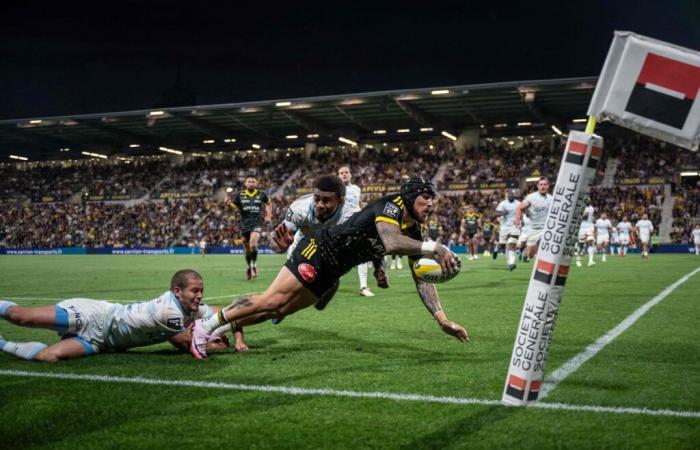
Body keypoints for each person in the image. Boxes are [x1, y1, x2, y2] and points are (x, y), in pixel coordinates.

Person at [190, 176, 468, 360]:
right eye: (426, 198)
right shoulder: (392, 206)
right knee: (272, 299)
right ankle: (205, 326)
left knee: (278, 310)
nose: (431, 204)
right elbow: (391, 242)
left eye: (433, 200)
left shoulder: (416, 231)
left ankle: (221, 328)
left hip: (334, 270)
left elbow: (421, 279)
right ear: (410, 197)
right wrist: (436, 247)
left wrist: (442, 319)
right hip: (319, 249)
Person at [0, 270, 242, 362]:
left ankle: (1, 343)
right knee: (21, 317)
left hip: (101, 342)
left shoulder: (190, 308)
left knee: (49, 356)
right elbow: (185, 343)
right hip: (95, 316)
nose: (200, 296)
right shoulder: (169, 312)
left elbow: (229, 313)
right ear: (177, 292)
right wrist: (216, 342)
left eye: (202, 291)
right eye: (195, 291)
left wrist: (237, 337)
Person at [269, 175, 383, 320]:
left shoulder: (351, 214)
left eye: (326, 200)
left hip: (329, 253)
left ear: (341, 200)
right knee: (288, 292)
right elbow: (275, 241)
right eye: (317, 199)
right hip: (302, 248)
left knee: (320, 304)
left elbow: (370, 243)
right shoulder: (299, 208)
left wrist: (379, 268)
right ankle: (280, 308)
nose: (320, 205)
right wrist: (279, 246)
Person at [338, 165, 375, 297]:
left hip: (357, 223)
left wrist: (364, 208)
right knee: (340, 258)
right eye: (341, 173)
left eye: (346, 172)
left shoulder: (356, 189)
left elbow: (358, 203)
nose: (344, 174)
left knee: (362, 255)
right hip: (342, 226)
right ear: (338, 176)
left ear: (350, 174)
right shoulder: (335, 190)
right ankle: (332, 282)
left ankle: (364, 287)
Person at [228, 176, 272, 279]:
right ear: (245, 183)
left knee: (253, 245)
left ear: (256, 183)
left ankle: (254, 266)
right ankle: (249, 267)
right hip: (244, 225)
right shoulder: (240, 195)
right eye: (249, 181)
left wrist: (269, 215)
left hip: (256, 224)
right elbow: (232, 207)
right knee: (247, 250)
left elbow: (269, 203)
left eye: (253, 181)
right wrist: (228, 204)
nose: (251, 183)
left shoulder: (261, 194)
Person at [515, 177, 553, 260]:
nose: (543, 186)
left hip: (547, 228)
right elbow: (519, 208)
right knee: (530, 254)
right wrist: (518, 220)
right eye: (541, 184)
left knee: (546, 249)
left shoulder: (552, 199)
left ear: (548, 186)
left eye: (545, 184)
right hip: (535, 229)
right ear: (537, 186)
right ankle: (525, 253)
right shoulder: (530, 197)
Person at [494, 190, 521, 271]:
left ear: (514, 194)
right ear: (506, 195)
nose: (511, 195)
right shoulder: (502, 204)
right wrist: (503, 213)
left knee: (511, 244)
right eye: (509, 194)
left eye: (512, 193)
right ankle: (496, 249)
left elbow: (523, 212)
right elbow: (496, 213)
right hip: (504, 227)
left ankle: (511, 263)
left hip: (514, 226)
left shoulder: (519, 203)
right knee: (502, 245)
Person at [576, 202, 596, 267]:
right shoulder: (579, 206)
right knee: (580, 244)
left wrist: (593, 220)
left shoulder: (592, 208)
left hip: (590, 226)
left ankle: (590, 261)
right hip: (582, 226)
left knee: (591, 241)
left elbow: (591, 217)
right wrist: (583, 215)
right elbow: (580, 217)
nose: (588, 199)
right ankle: (578, 259)